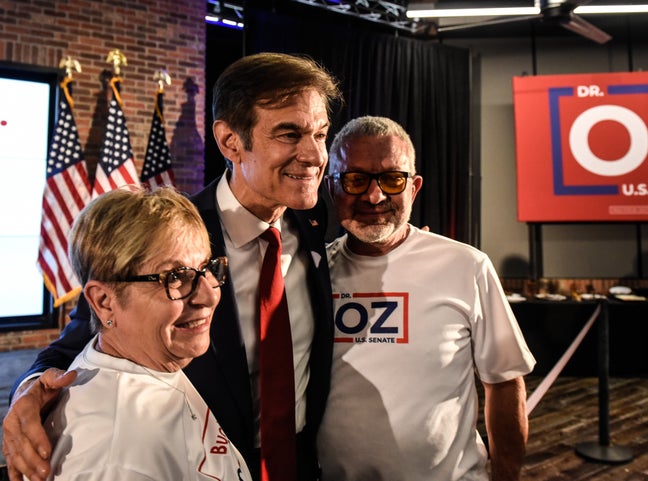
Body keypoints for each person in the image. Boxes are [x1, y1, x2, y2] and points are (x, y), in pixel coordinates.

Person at [3, 52, 342, 481]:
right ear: (230, 141)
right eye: (289, 134)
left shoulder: (313, 220)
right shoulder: (168, 238)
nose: (314, 154)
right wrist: (26, 394)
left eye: (321, 134)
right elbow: (86, 338)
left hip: (300, 462)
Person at [318, 116, 536, 481]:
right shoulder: (312, 274)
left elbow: (504, 380)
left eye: (392, 179)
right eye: (356, 180)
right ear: (332, 188)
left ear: (414, 187)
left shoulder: (466, 266)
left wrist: (506, 475)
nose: (374, 196)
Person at [34, 186, 251, 479]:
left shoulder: (148, 358)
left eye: (206, 268)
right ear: (104, 302)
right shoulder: (117, 457)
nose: (209, 296)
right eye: (175, 277)